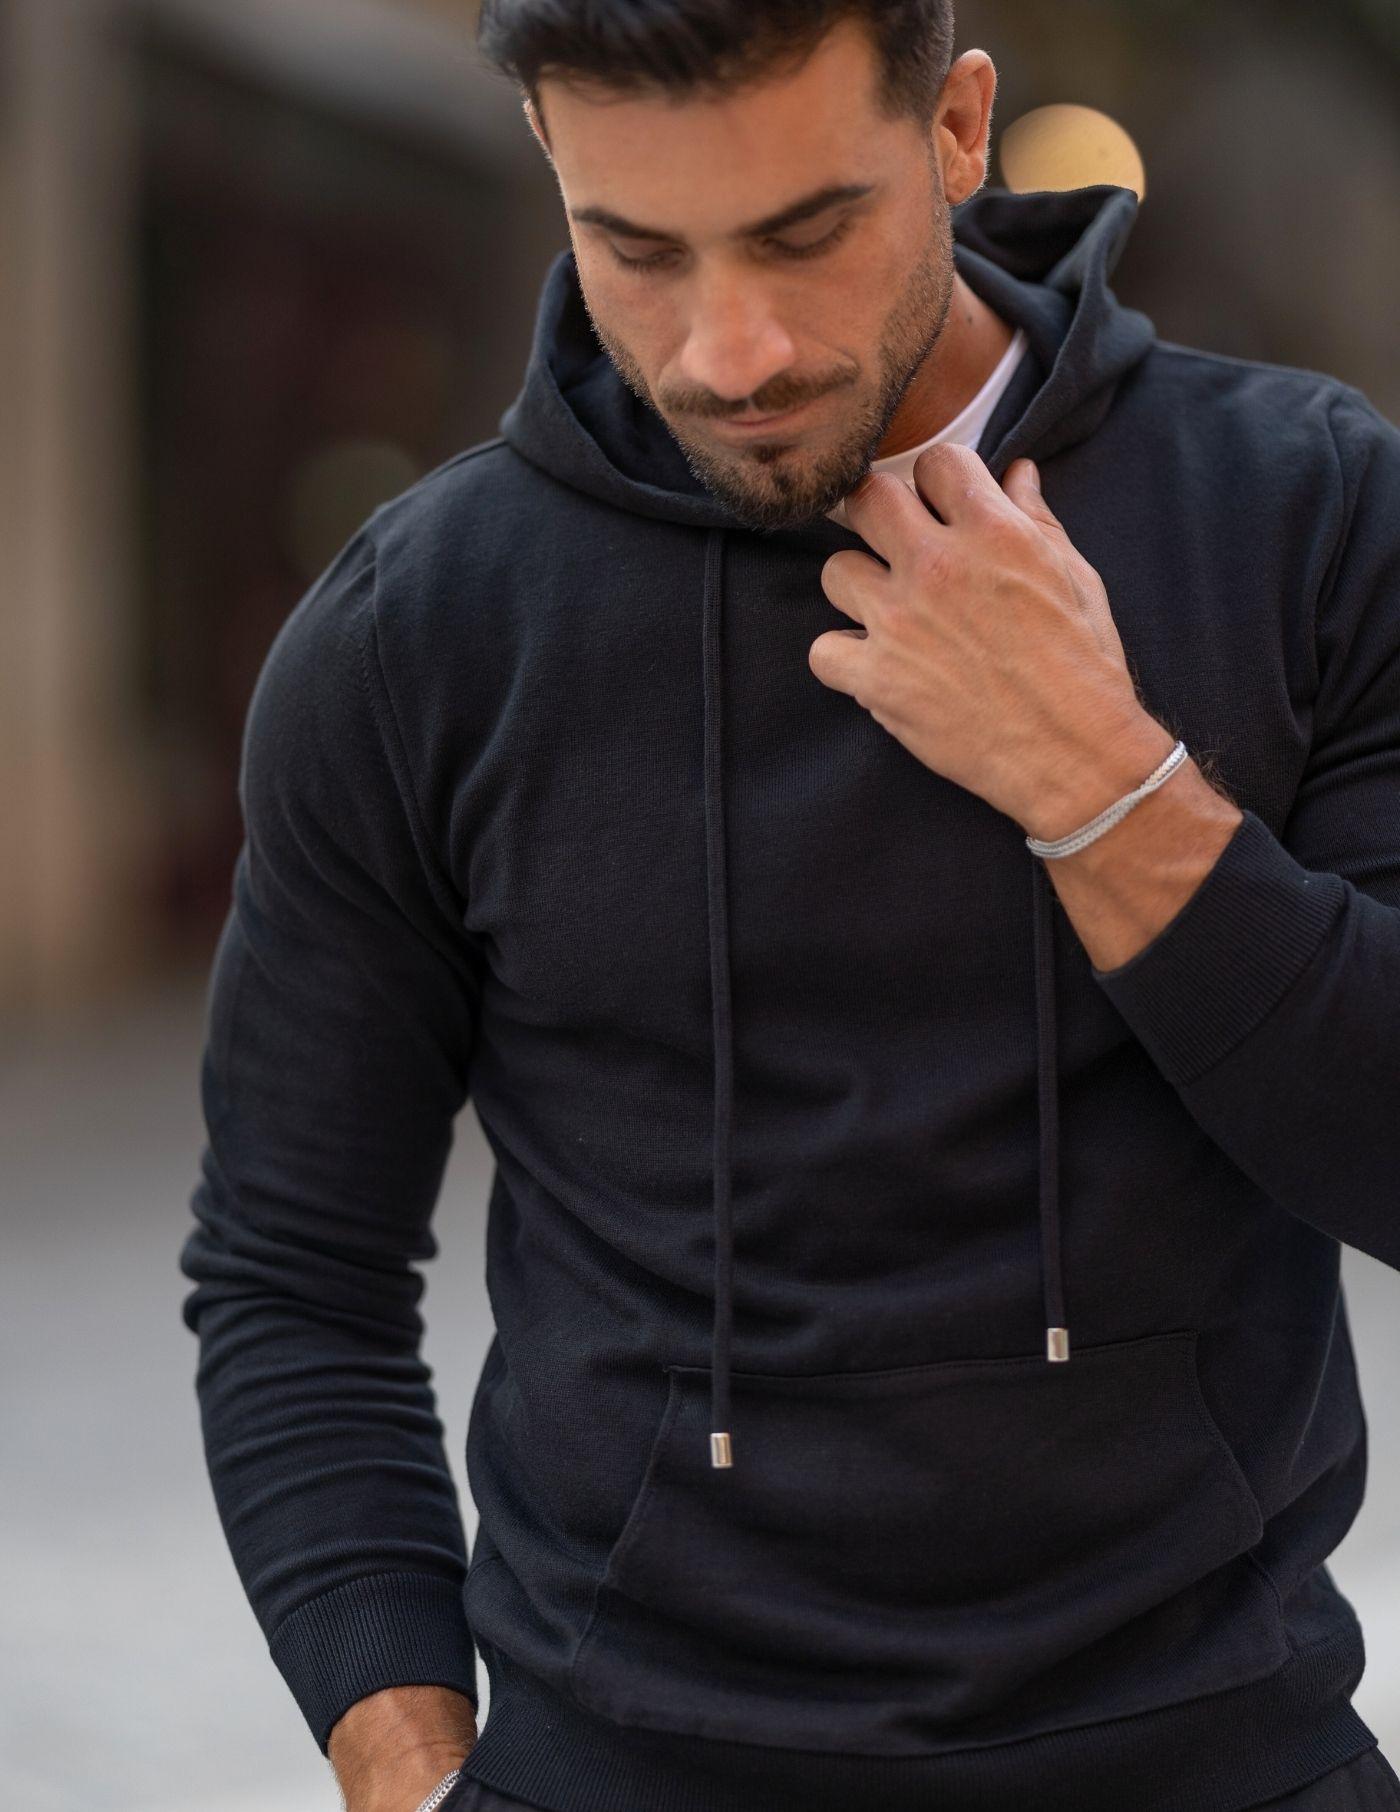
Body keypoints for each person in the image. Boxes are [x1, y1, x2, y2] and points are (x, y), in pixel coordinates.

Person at [177, 3, 1400, 1809]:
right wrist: (411, 1765)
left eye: (806, 232)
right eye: (639, 250)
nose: (727, 350)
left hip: (1226, 1762)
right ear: (552, 162)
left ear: (958, 129)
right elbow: (294, 1272)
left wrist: (1102, 781)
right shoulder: (418, 633)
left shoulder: (1306, 510)